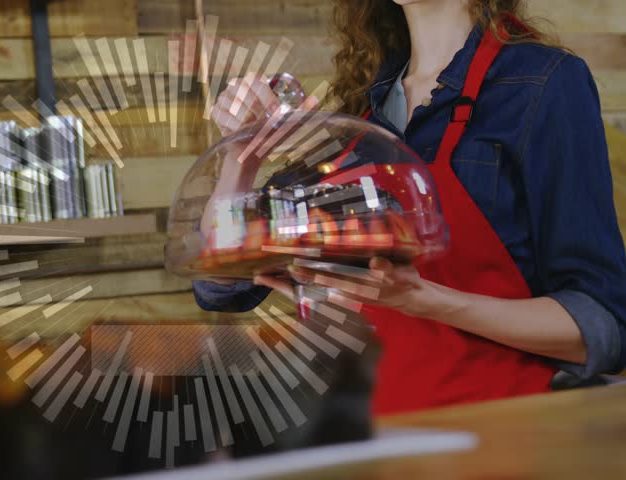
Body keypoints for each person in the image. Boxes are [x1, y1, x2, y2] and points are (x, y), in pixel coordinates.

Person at [195, 0, 626, 414]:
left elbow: (601, 328)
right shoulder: (358, 121)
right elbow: (222, 283)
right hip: (362, 448)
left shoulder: (544, 83)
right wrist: (241, 157)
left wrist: (425, 300)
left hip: (499, 439)